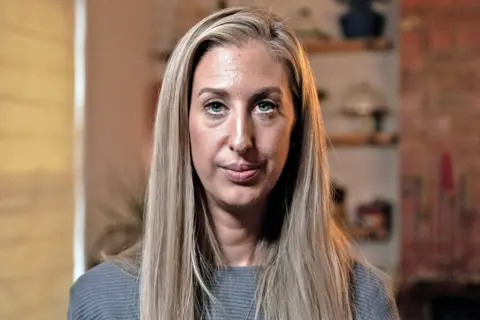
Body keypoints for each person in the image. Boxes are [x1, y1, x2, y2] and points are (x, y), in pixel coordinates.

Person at [68, 6, 400, 320]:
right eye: (215, 106)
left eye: (265, 106)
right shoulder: (103, 300)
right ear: (181, 126)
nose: (241, 139)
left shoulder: (360, 298)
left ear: (297, 127)